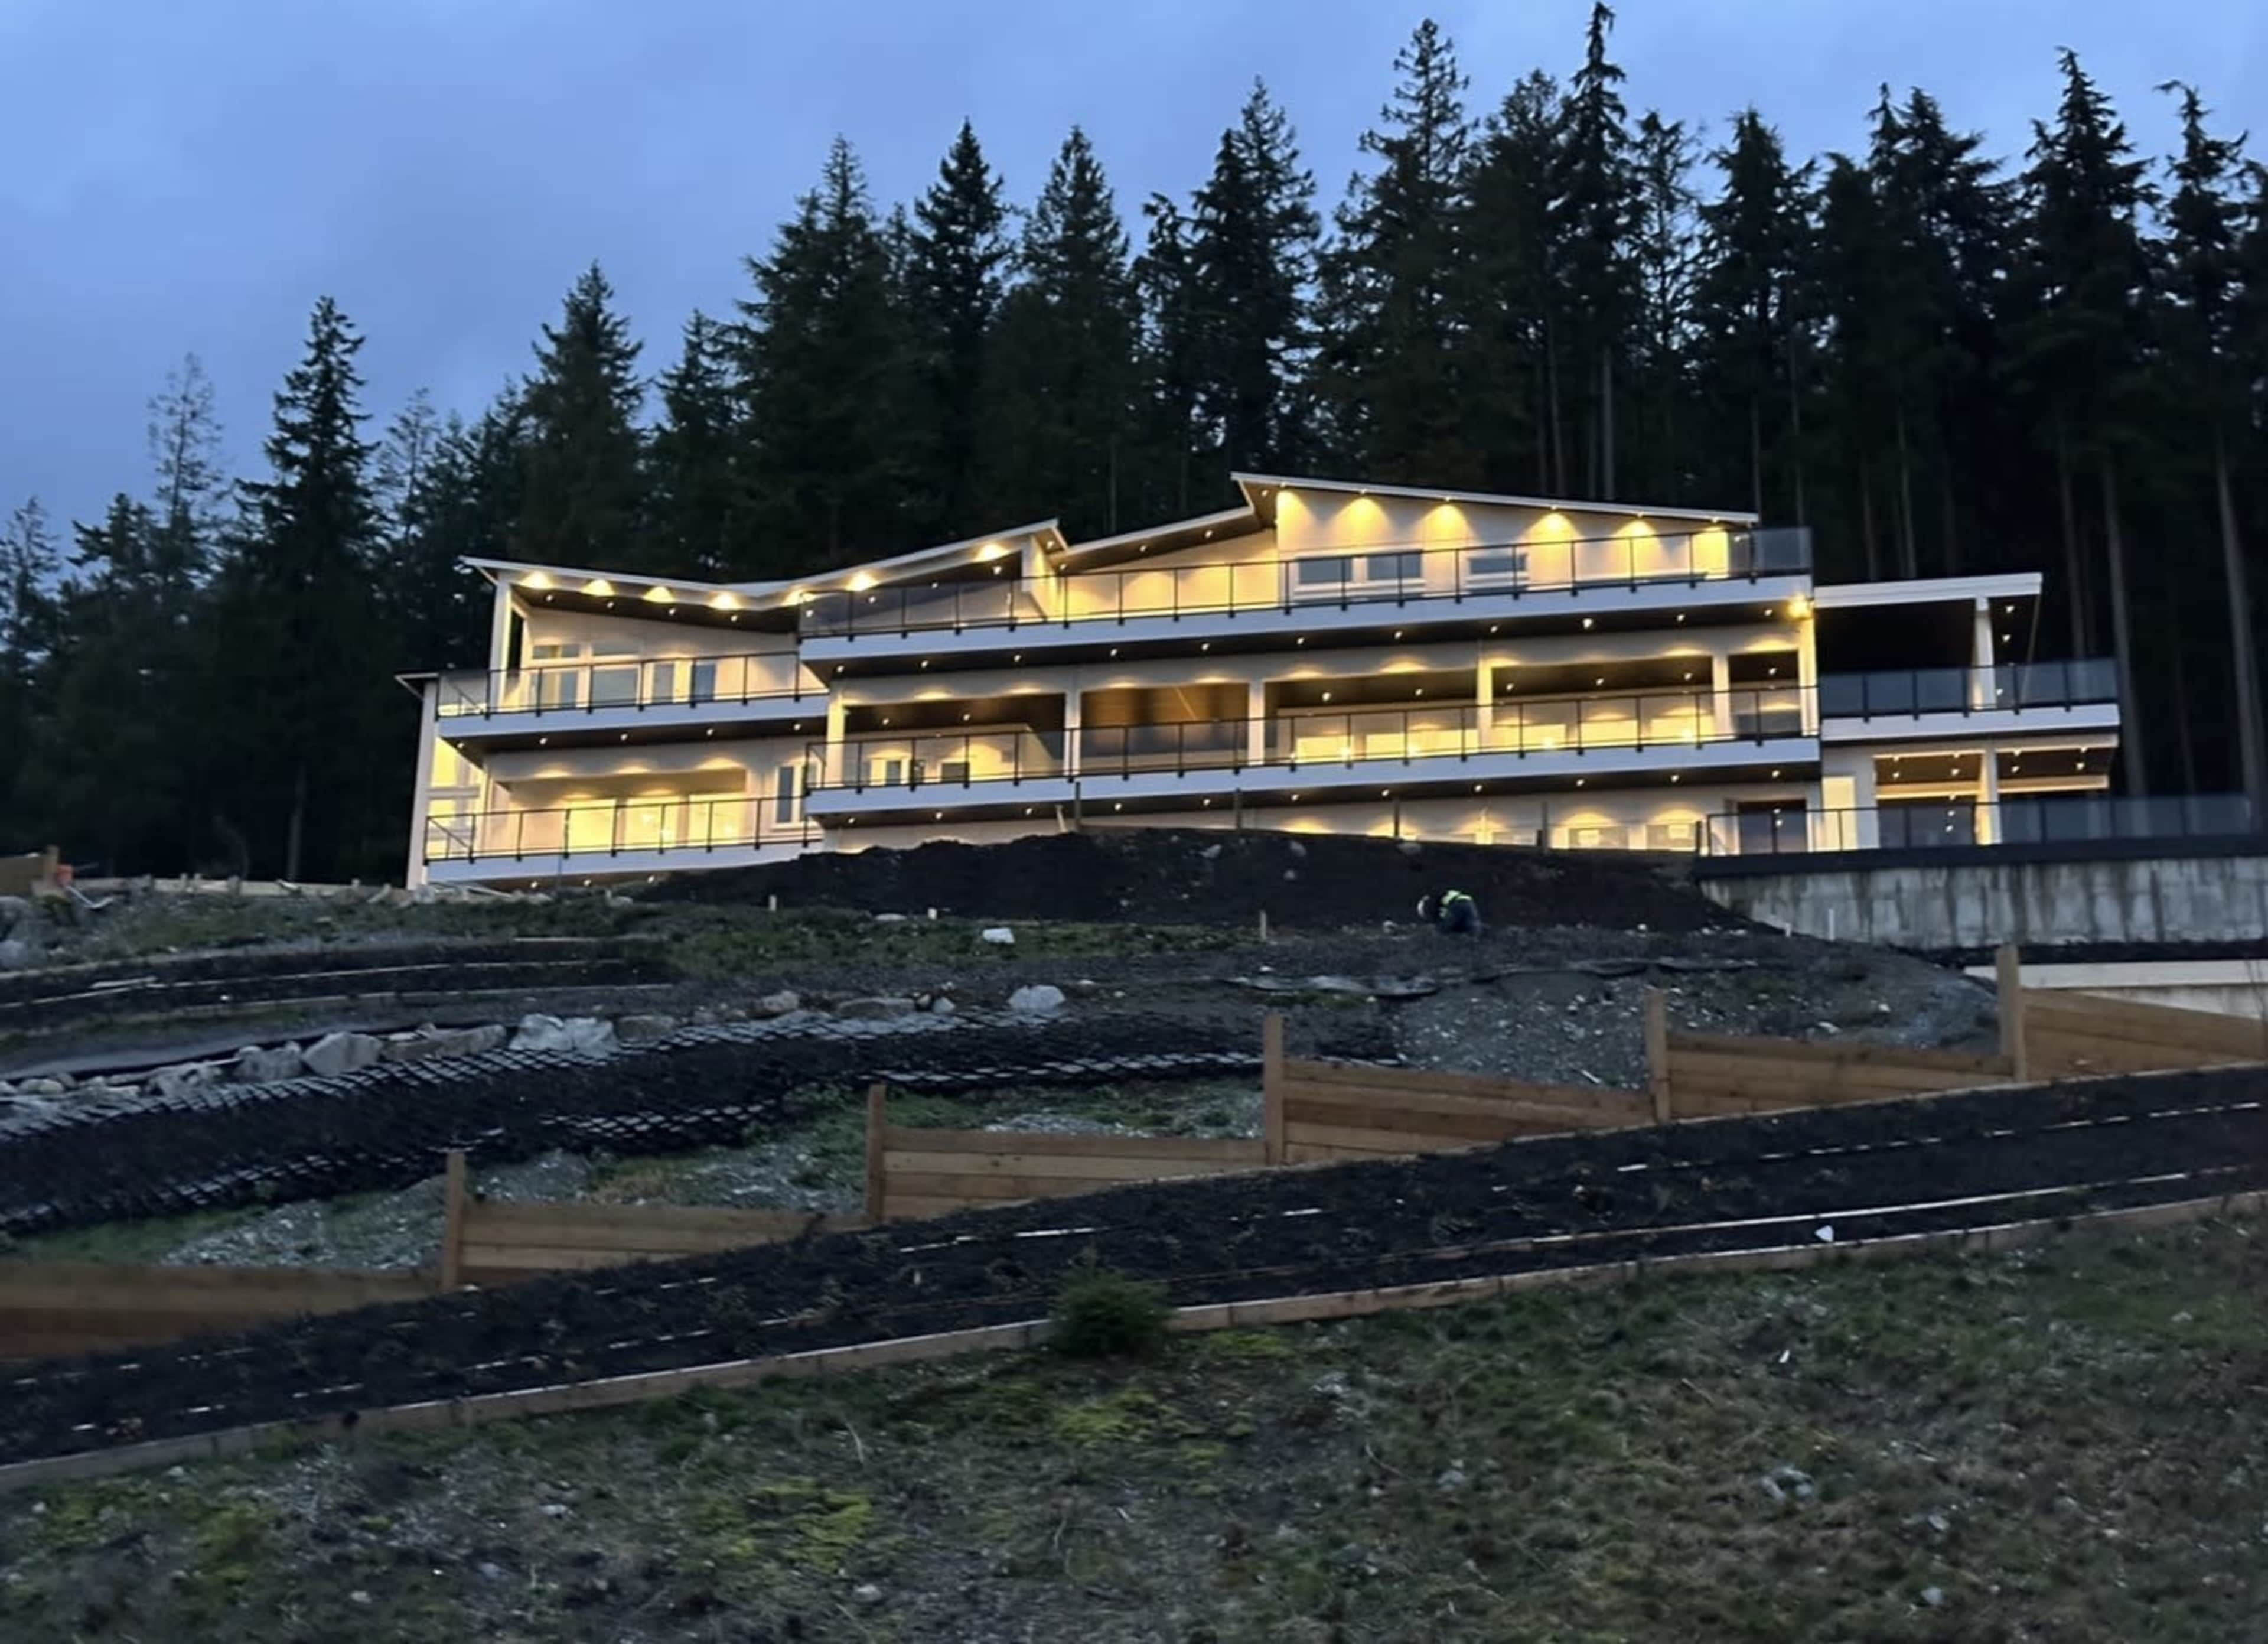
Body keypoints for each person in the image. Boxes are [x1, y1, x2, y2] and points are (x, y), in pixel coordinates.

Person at [1416, 888, 1482, 937]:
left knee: (1445, 928)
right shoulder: (1448, 894)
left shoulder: (1436, 899)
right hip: (1469, 903)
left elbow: (1446, 922)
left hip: (1457, 904)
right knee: (1472, 928)